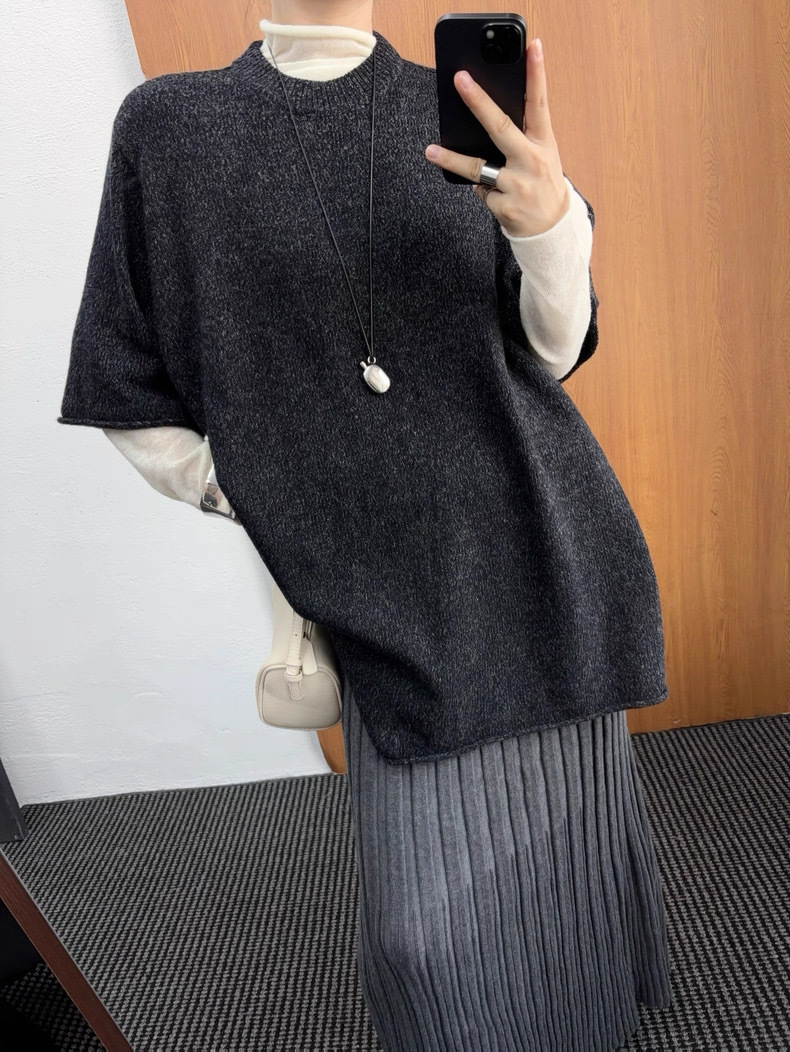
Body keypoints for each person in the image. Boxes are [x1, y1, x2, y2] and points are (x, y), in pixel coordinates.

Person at [58, 3, 673, 1048]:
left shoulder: (457, 109)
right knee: (420, 937)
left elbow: (553, 353)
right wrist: (278, 499)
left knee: (567, 868)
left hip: (544, 545)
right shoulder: (172, 128)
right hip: (381, 597)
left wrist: (549, 224)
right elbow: (124, 382)